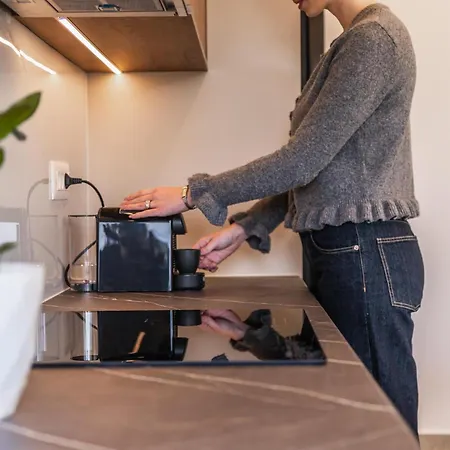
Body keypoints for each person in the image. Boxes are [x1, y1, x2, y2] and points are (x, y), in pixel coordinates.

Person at [120, 0, 424, 436]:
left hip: (365, 255)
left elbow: (301, 161)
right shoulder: (356, 41)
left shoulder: (373, 40)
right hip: (352, 252)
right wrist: (247, 227)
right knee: (348, 414)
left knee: (377, 422)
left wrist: (193, 194)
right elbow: (321, 170)